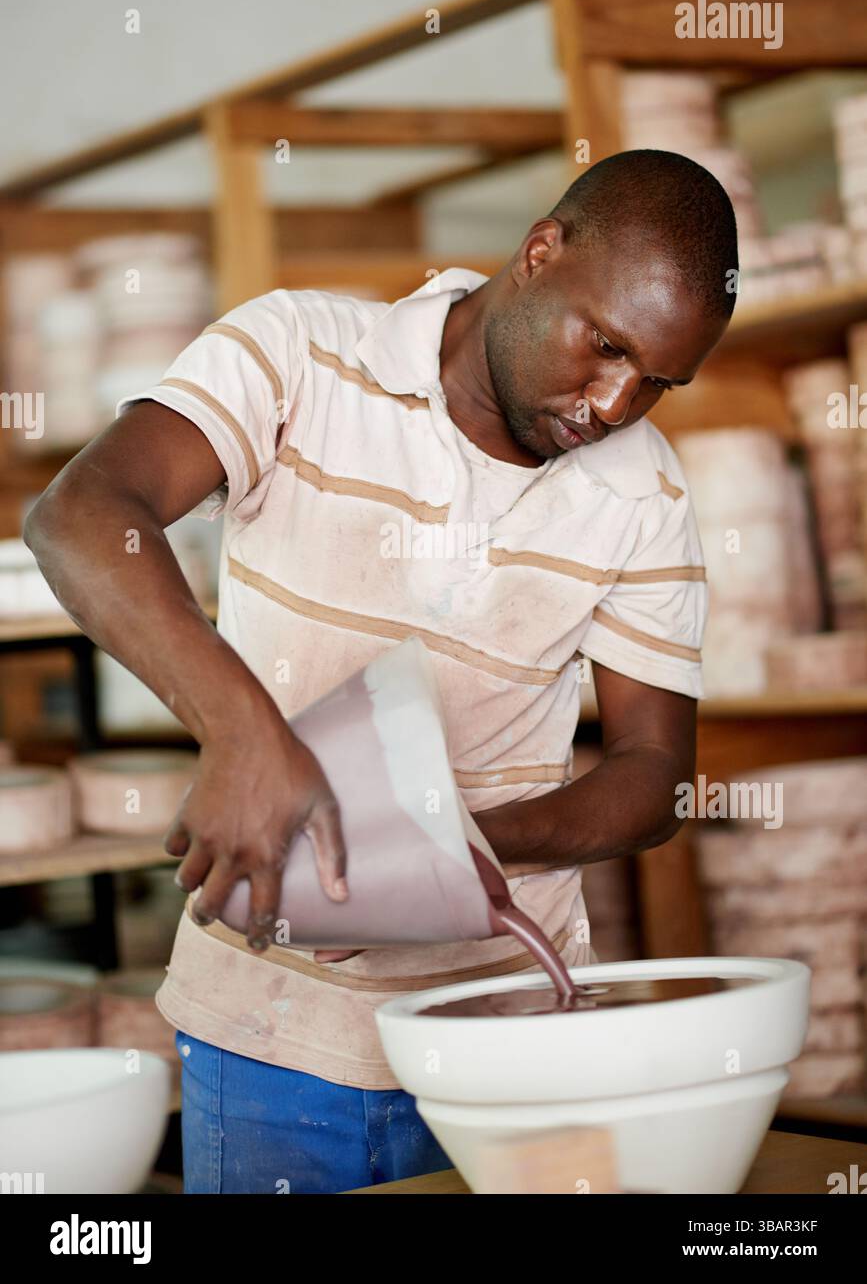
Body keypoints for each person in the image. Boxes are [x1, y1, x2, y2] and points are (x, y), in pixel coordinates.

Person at [25, 149, 738, 1193]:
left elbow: (654, 774)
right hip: (272, 1035)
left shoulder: (643, 491)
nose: (617, 404)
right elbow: (81, 519)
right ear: (540, 253)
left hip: (508, 1048)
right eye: (607, 348)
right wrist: (244, 733)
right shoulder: (301, 352)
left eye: (660, 383)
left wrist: (453, 858)